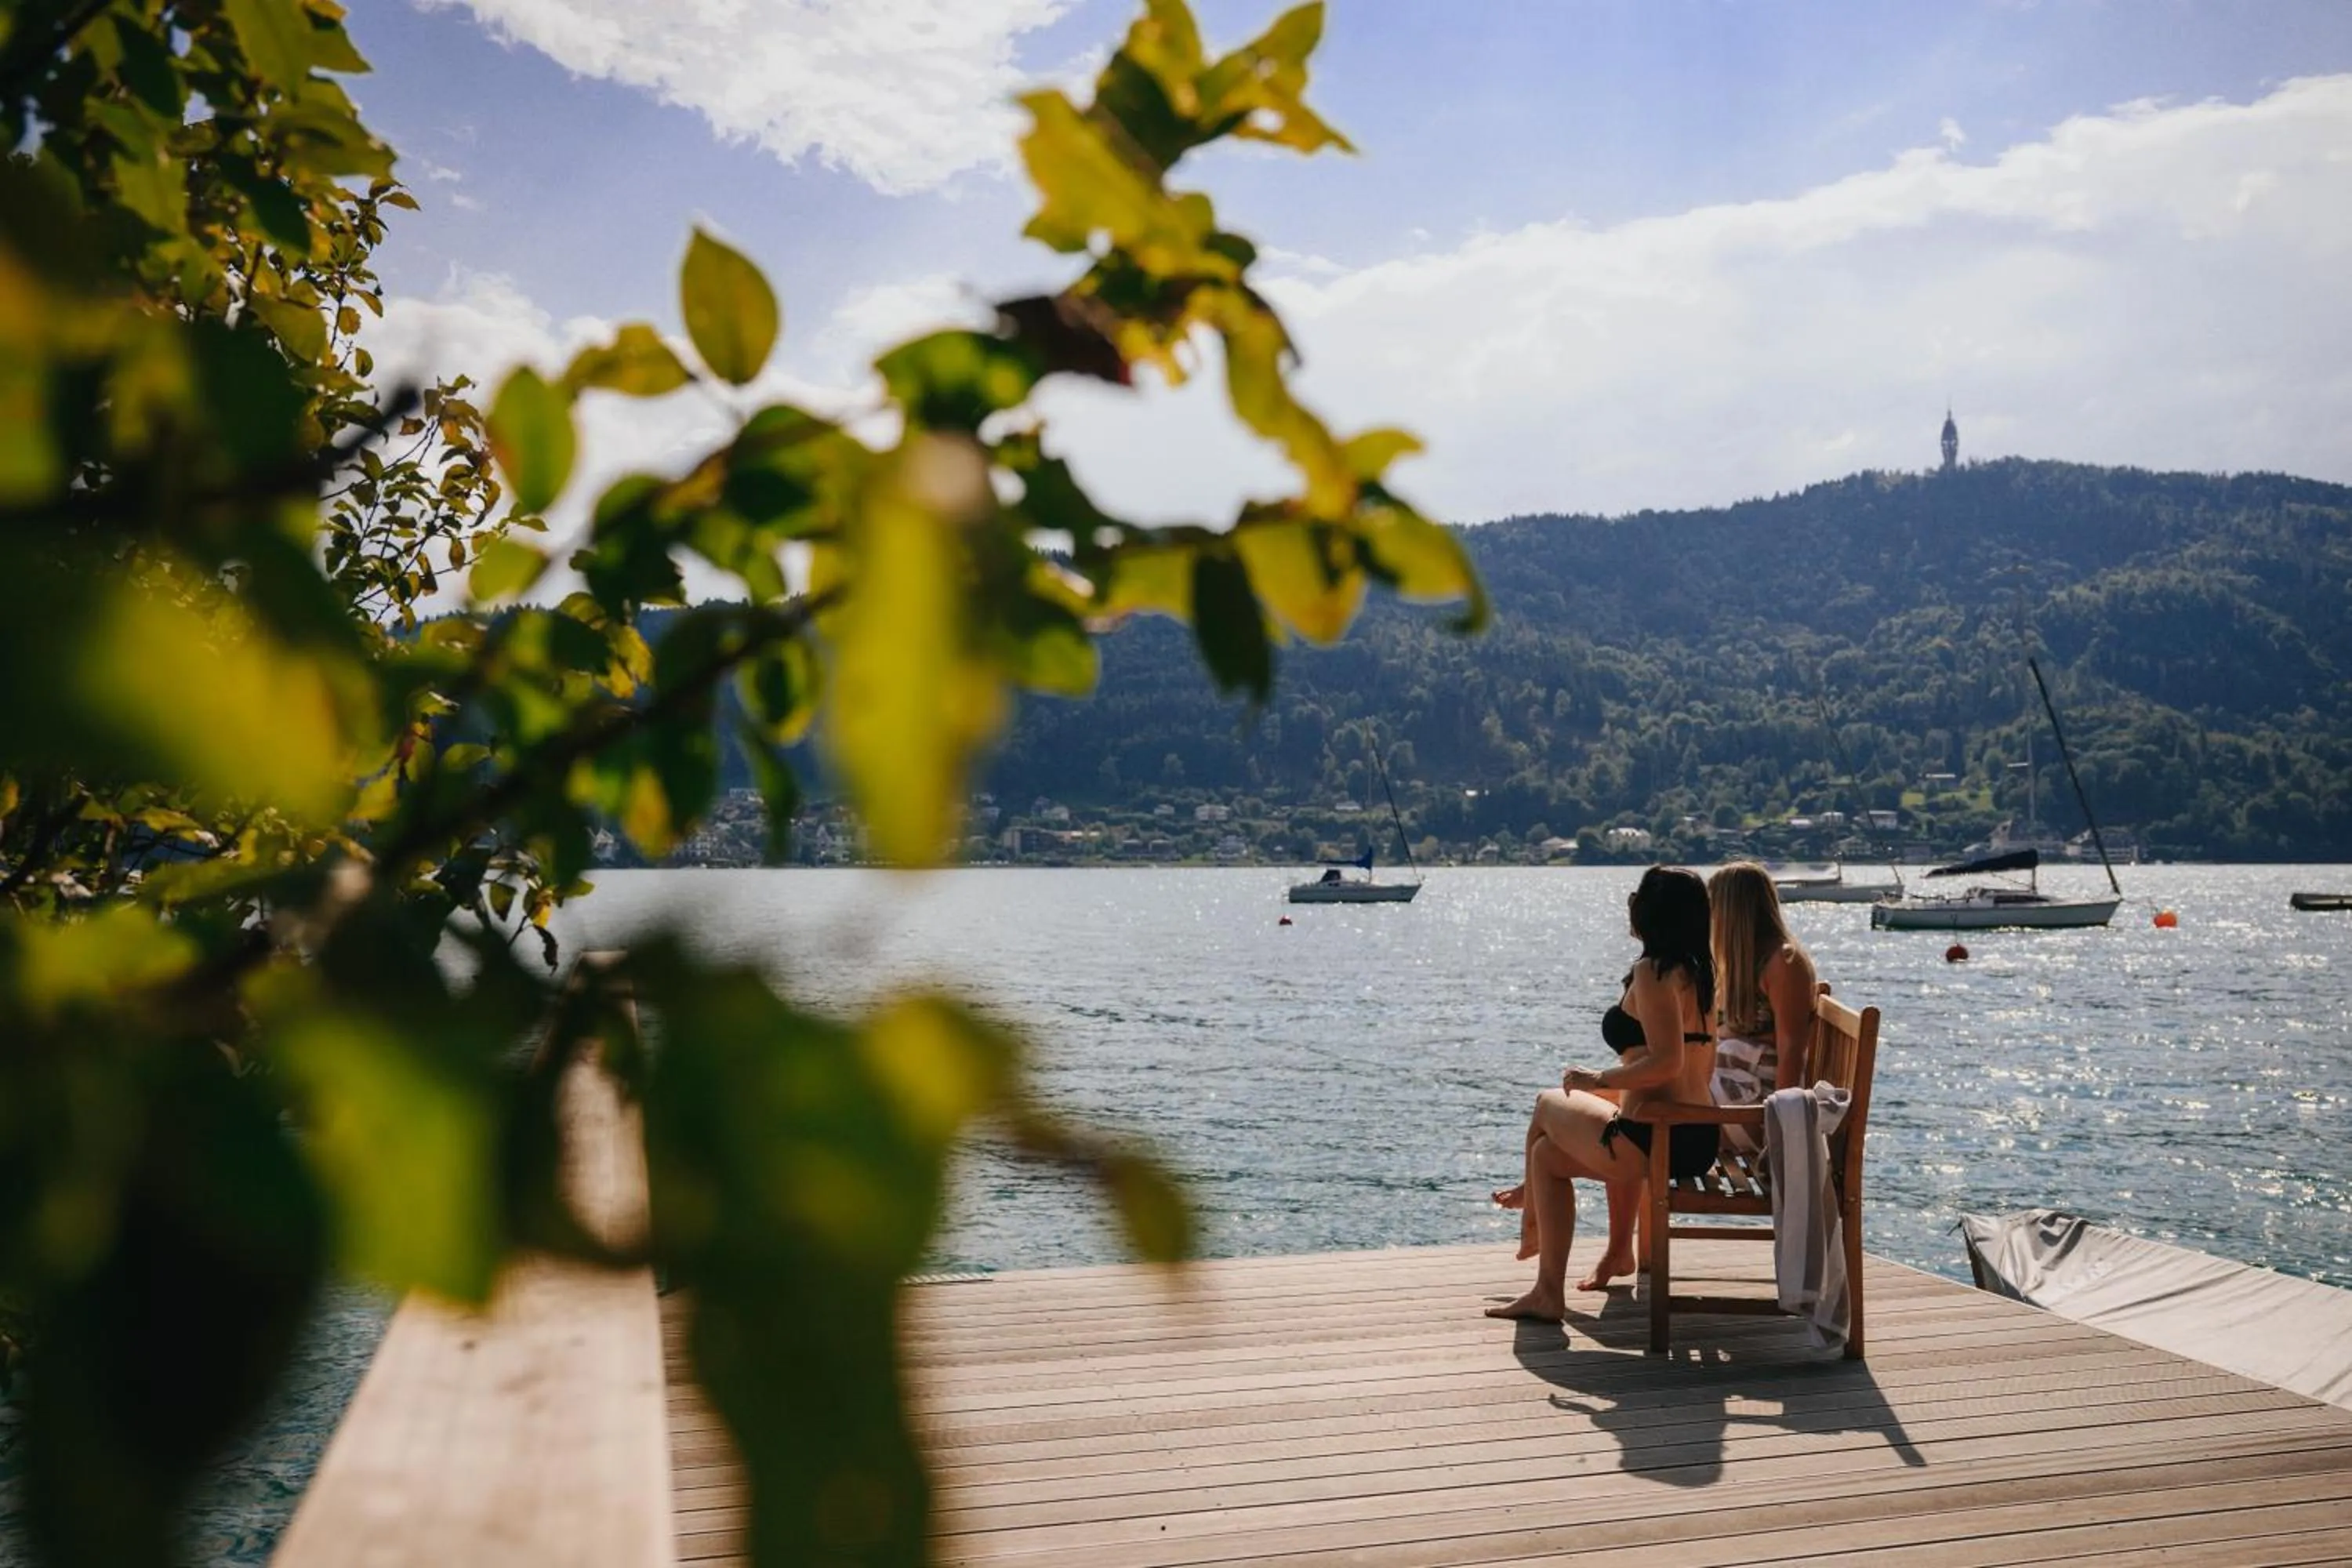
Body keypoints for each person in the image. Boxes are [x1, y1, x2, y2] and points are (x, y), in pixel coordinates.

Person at [1486, 866, 1719, 1320]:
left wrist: (1598, 1080)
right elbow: (1695, 1066)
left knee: (1546, 1102)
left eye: (1638, 897)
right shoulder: (1700, 973)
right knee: (1546, 1157)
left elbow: (1667, 1062)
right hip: (1697, 1135)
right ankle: (1547, 1289)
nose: (1631, 903)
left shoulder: (1653, 973)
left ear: (1652, 913)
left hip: (1655, 1138)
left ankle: (1530, 1223)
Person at [1706, 862, 1820, 1153]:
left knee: (1642, 1120)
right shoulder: (1742, 963)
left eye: (1711, 906)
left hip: (1755, 1103)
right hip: (1733, 1089)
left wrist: (1779, 1129)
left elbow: (1792, 1048)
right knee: (1633, 1102)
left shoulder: (1784, 961)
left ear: (1733, 911)